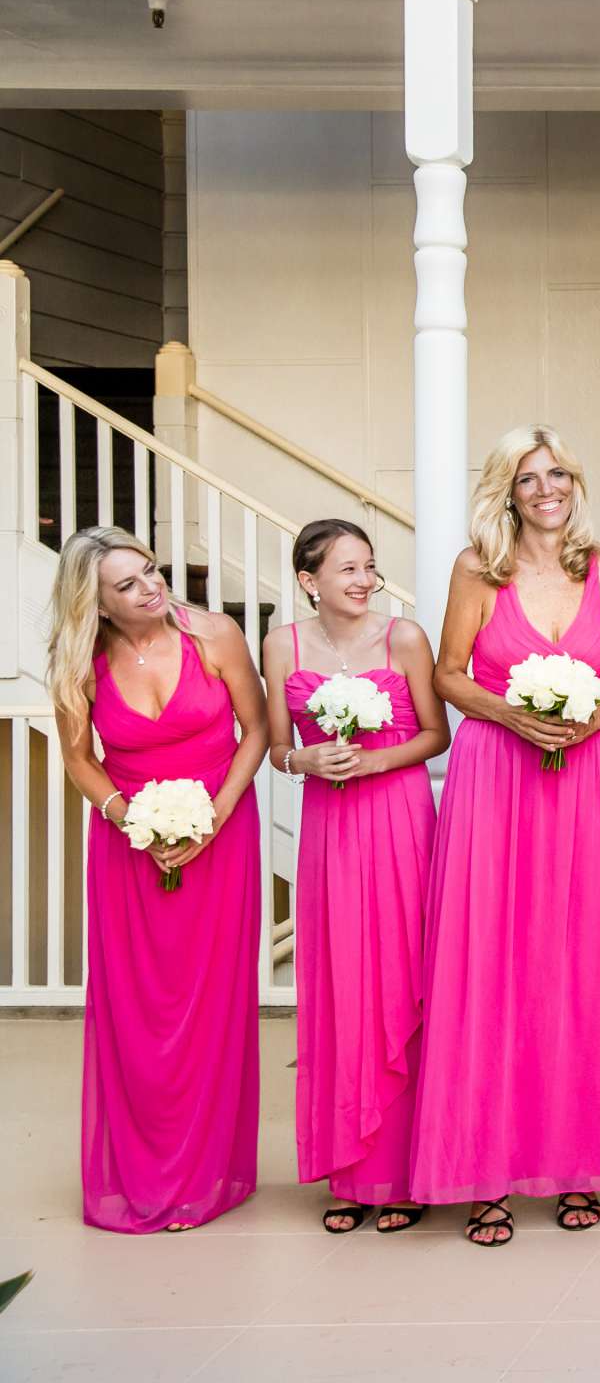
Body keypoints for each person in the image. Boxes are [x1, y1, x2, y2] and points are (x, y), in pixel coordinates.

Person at [410, 425, 600, 1246]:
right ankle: (485, 1170)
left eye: (559, 474)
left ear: (576, 482)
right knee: (490, 966)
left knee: (577, 964)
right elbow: (447, 673)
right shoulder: (479, 568)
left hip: (582, 780)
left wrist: (588, 723)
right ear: (507, 490)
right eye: (528, 477)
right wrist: (510, 711)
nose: (547, 488)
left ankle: (578, 1165)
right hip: (493, 778)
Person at [50, 527, 266, 1233]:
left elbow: (256, 731)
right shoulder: (79, 663)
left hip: (220, 837)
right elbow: (80, 759)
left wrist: (214, 817)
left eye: (150, 571)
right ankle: (143, 1171)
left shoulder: (215, 636)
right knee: (136, 1013)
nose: (152, 588)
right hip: (129, 849)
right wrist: (124, 816)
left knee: (210, 1003)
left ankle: (206, 1173)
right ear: (100, 605)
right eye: (130, 585)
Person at [262, 519, 448, 1235]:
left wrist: (375, 761)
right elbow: (279, 746)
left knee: (402, 978)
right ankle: (351, 1166)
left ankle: (405, 1170)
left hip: (399, 819)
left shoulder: (404, 638)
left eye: (368, 567)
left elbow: (439, 734)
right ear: (309, 580)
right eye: (346, 569)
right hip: (331, 831)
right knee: (342, 984)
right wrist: (302, 762)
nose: (363, 580)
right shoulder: (284, 644)